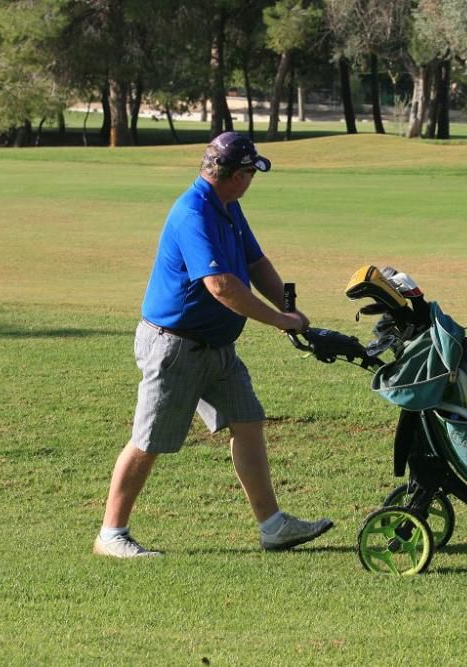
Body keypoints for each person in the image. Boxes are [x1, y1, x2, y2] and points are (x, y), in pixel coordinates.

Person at [93, 132, 333, 558]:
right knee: (149, 439)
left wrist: (290, 311)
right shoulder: (193, 213)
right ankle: (111, 534)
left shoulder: (227, 207)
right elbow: (222, 286)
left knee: (248, 422)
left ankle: (272, 526)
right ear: (237, 175)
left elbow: (256, 263)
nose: (250, 181)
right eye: (249, 173)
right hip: (176, 347)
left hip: (217, 347)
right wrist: (277, 319)